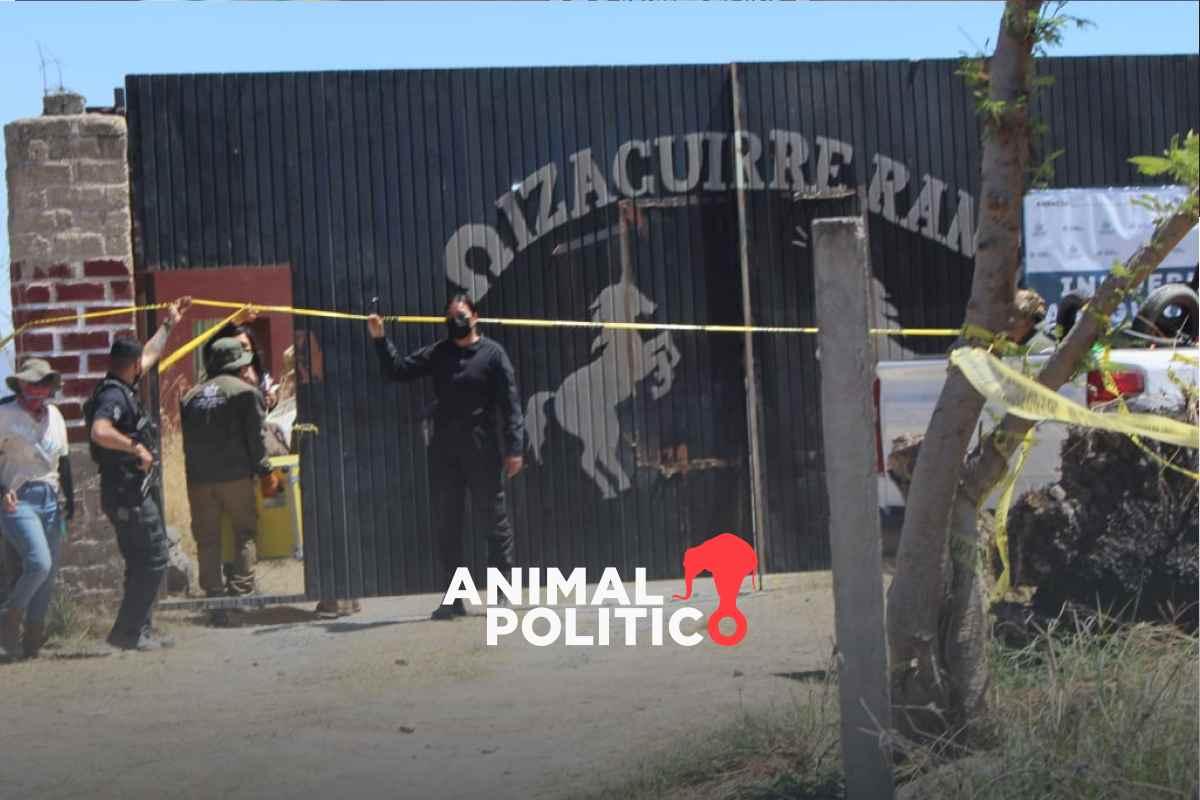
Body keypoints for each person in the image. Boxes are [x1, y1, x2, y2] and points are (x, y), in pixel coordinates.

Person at [367, 294, 525, 620]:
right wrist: (380, 338)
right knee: (448, 527)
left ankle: (502, 595)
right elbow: (398, 370)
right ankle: (454, 599)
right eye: (451, 316)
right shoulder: (440, 353)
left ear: (475, 317)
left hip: (483, 451)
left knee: (494, 525)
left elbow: (511, 405)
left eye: (461, 315)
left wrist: (514, 449)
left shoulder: (493, 355)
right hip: (445, 454)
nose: (456, 321)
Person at [86, 297, 191, 652]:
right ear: (129, 366)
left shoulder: (122, 381)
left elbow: (150, 354)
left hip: (129, 490)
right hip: (126, 491)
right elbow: (100, 431)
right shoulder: (113, 396)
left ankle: (138, 629)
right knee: (156, 557)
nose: (141, 366)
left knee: (140, 560)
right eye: (137, 364)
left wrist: (170, 322)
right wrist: (136, 447)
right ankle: (127, 632)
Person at [180, 337, 281, 626]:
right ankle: (241, 595)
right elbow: (256, 439)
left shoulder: (190, 397)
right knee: (245, 534)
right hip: (236, 478)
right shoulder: (245, 393)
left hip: (199, 482)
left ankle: (215, 601)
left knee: (207, 541)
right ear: (238, 366)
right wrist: (265, 472)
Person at [0, 359, 73, 660]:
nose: (38, 390)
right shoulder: (4, 414)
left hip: (51, 498)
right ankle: (8, 616)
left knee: (49, 573)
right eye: (32, 384)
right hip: (17, 498)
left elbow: (64, 460)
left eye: (43, 384)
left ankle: (32, 640)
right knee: (39, 563)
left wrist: (71, 499)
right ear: (20, 385)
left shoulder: (55, 416)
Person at [201, 315, 280, 410]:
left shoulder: (258, 372)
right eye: (234, 347)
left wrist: (272, 399)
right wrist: (230, 325)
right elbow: (208, 349)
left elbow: (269, 393)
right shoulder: (222, 372)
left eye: (244, 346)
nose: (240, 351)